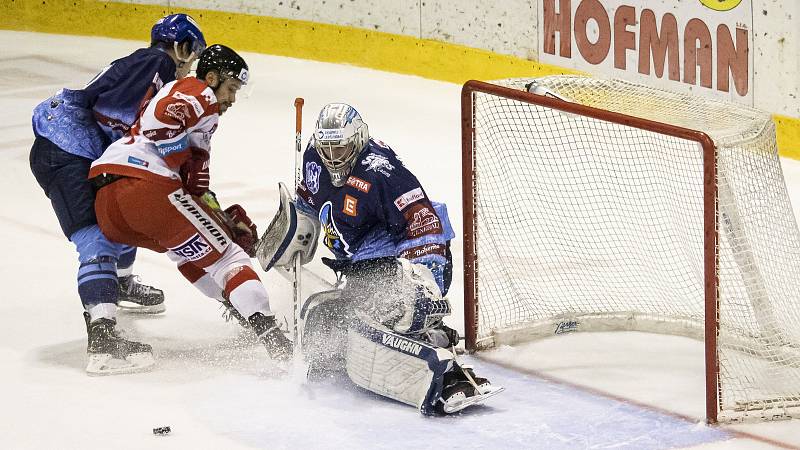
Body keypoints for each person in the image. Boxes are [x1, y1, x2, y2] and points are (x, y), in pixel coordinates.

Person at [258, 103, 502, 414]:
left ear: (358, 140)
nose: (332, 157)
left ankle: (449, 374)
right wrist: (298, 225)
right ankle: (436, 334)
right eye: (327, 148)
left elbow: (423, 221)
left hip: (405, 253)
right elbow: (308, 200)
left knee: (380, 319)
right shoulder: (313, 158)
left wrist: (423, 278)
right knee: (326, 324)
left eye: (341, 147)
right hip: (359, 262)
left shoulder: (381, 171)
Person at [89, 44, 293, 375]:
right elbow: (162, 121)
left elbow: (194, 190)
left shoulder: (201, 120)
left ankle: (238, 304)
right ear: (211, 78)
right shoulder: (198, 91)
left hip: (110, 202)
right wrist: (174, 154)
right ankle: (276, 342)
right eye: (230, 88)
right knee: (229, 259)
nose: (232, 99)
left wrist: (222, 219)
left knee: (186, 251)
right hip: (143, 184)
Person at [29, 14, 206, 372]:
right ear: (181, 47)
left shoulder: (148, 63)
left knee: (121, 213)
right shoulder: (158, 63)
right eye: (192, 55)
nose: (191, 67)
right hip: (64, 149)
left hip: (78, 148)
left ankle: (120, 284)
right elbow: (112, 117)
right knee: (95, 239)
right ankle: (103, 339)